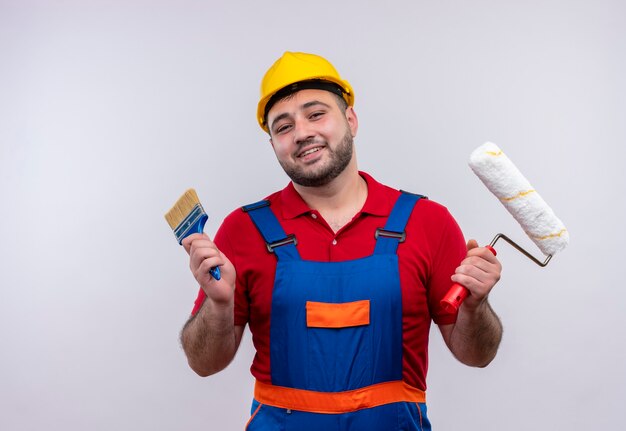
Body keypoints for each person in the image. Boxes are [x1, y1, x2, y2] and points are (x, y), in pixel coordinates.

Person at [179, 51, 503, 430]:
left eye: (316, 114)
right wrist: (219, 305)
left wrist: (475, 305)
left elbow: (476, 355)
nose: (301, 133)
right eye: (283, 127)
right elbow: (204, 363)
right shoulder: (242, 230)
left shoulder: (426, 222)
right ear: (273, 145)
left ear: (351, 119)